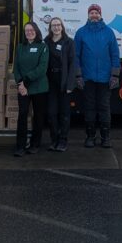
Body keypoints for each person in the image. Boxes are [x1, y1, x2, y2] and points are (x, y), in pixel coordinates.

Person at [73, 3, 121, 148]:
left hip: (105, 79)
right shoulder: (81, 32)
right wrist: (78, 76)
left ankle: (106, 138)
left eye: (96, 13)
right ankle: (90, 137)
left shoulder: (109, 32)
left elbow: (115, 54)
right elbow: (76, 56)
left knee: (104, 108)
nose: (94, 15)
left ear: (100, 15)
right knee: (89, 108)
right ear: (88, 15)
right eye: (91, 13)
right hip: (87, 78)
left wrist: (115, 75)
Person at [12, 21, 49, 157]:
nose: (29, 32)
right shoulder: (20, 47)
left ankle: (35, 144)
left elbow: (42, 68)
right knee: (22, 115)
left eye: (32, 30)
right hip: (23, 88)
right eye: (27, 30)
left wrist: (25, 82)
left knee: (38, 117)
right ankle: (20, 146)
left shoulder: (43, 47)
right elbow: (16, 68)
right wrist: (20, 83)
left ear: (36, 31)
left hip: (39, 88)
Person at [44, 17, 79, 152]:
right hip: (50, 82)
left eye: (58, 25)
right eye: (54, 25)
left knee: (64, 113)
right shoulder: (46, 42)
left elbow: (72, 65)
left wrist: (70, 85)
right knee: (52, 113)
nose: (56, 27)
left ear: (62, 27)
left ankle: (63, 140)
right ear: (50, 27)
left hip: (64, 82)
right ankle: (54, 140)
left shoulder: (69, 42)